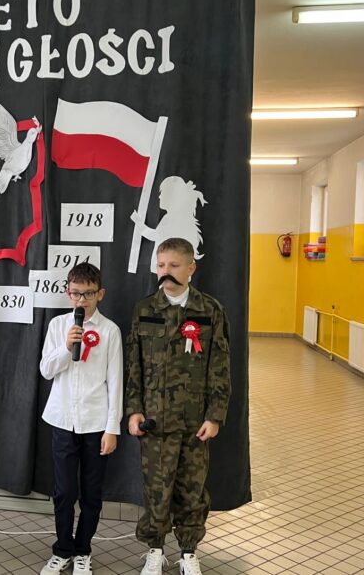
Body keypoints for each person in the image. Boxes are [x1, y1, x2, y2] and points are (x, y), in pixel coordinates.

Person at [126, 238, 231, 575]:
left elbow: (220, 366)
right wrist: (134, 410)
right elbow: (134, 365)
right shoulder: (145, 309)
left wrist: (215, 416)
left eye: (173, 265)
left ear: (190, 268)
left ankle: (188, 552)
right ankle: (155, 550)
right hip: (154, 422)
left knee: (192, 491)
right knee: (156, 491)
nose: (165, 272)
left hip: (194, 422)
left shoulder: (209, 310)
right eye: (161, 265)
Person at [38, 263, 123, 575]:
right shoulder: (58, 326)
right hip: (62, 420)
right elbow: (46, 370)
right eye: (76, 293)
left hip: (96, 423)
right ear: (67, 293)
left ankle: (83, 550)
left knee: (91, 493)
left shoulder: (110, 331)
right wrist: (66, 347)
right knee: (63, 492)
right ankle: (63, 549)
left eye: (88, 294)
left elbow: (116, 382)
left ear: (100, 294)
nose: (81, 300)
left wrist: (112, 428)